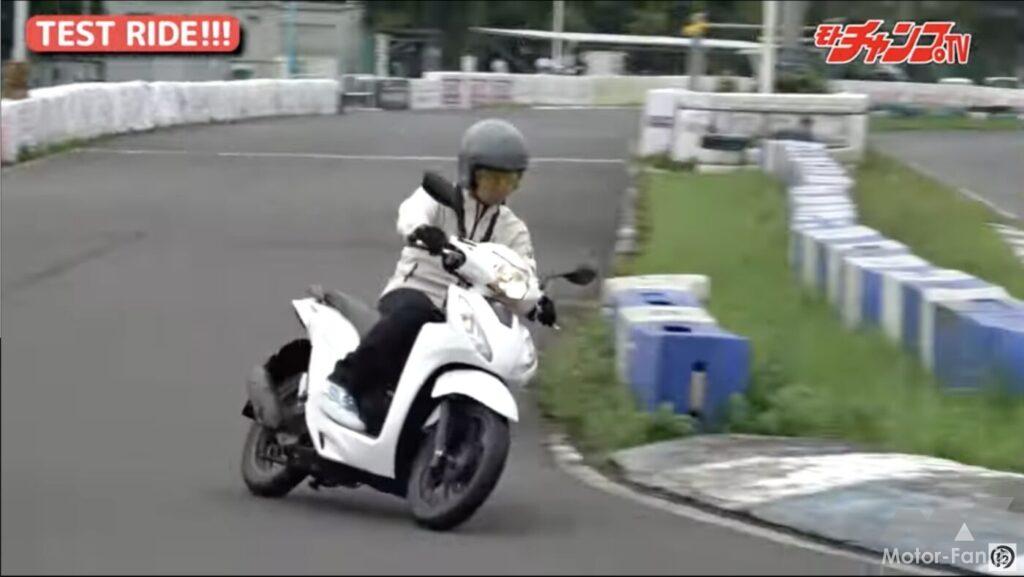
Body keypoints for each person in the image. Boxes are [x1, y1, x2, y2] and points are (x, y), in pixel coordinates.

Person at [310, 118, 555, 435]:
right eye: (492, 178)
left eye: (508, 180)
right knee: (415, 314)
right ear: (470, 173)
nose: (499, 187)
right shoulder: (441, 199)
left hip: (465, 316)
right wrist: (421, 230)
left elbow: (521, 275)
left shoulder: (513, 230)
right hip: (413, 291)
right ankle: (342, 383)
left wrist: (536, 302)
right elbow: (411, 211)